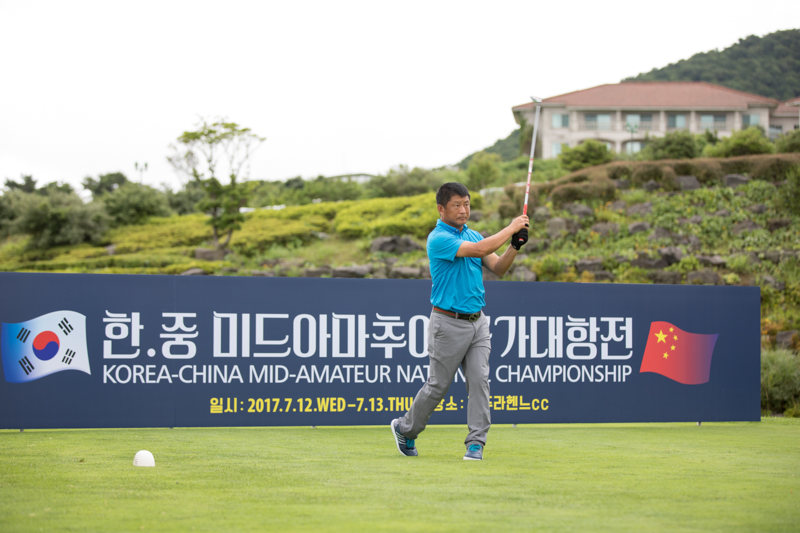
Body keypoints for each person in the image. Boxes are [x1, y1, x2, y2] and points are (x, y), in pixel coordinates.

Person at [391, 182, 529, 461]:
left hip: (478, 322)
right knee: (438, 386)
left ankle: (476, 443)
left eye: (467, 204)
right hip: (447, 323)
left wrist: (515, 246)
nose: (464, 209)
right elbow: (479, 250)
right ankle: (406, 429)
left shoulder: (473, 234)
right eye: (457, 204)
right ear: (441, 209)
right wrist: (512, 227)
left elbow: (499, 267)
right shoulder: (438, 238)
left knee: (480, 381)